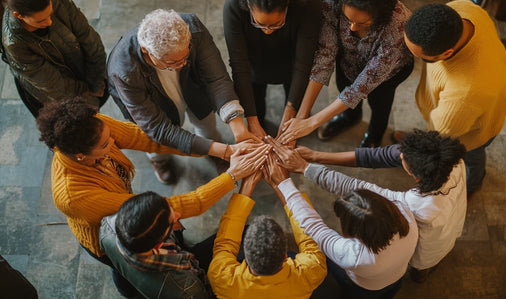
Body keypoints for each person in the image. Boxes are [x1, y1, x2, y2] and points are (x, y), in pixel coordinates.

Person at [36, 98, 268, 296]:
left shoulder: (94, 127)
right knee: (122, 265)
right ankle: (131, 288)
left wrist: (222, 150)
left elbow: (146, 139)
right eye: (107, 144)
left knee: (144, 257)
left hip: (128, 220)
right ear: (80, 156)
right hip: (107, 234)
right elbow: (169, 208)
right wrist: (232, 176)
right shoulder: (74, 197)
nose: (114, 140)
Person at [273, 130, 467, 282]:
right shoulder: (452, 161)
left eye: (403, 160)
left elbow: (358, 188)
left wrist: (304, 168)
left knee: (423, 263)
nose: (399, 156)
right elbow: (379, 156)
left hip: (430, 244)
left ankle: (420, 274)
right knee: (435, 254)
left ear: (417, 176)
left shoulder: (414, 205)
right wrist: (314, 157)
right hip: (453, 220)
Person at [108, 9, 259, 185]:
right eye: (173, 62)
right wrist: (226, 151)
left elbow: (217, 79)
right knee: (154, 140)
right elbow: (158, 128)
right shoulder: (124, 71)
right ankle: (160, 160)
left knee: (206, 121)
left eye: (186, 56)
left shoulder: (193, 28)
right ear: (146, 51)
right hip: (151, 102)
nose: (182, 64)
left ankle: (213, 149)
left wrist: (238, 126)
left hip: (191, 84)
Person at [261, 149, 418, 298]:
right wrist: (305, 167)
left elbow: (315, 227)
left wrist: (283, 184)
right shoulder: (404, 211)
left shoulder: (354, 257)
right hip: (397, 275)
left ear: (355, 231)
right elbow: (351, 185)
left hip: (365, 288)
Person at [400, 1, 506, 193]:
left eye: (420, 56)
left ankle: (474, 182)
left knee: (472, 157)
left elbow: (439, 134)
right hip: (481, 102)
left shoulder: (463, 95)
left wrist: (416, 151)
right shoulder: (464, 9)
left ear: (447, 53)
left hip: (474, 132)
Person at [278, 0, 413, 147]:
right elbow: (325, 56)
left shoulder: (398, 24)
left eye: (361, 23)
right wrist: (302, 116)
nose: (352, 28)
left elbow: (360, 87)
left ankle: (375, 133)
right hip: (348, 60)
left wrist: (312, 123)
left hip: (389, 72)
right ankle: (350, 117)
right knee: (343, 85)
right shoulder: (330, 4)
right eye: (347, 19)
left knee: (380, 103)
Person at [207, 166, 327, 298]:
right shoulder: (310, 272)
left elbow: (225, 245)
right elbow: (311, 237)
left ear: (245, 258)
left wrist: (248, 183)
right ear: (285, 256)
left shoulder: (222, 279)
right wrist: (282, 184)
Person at [223, 0, 322, 137]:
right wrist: (252, 121)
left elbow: (303, 64)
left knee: (294, 103)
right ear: (248, 5)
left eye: (276, 24)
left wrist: (289, 116)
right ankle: (260, 123)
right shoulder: (234, 6)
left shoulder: (309, 6)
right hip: (254, 63)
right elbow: (239, 64)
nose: (267, 31)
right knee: (255, 104)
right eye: (258, 24)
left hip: (293, 62)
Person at [1, 0, 108, 117]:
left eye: (50, 14)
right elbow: (52, 84)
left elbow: (90, 41)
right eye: (40, 20)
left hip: (83, 74)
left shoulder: (59, 2)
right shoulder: (14, 43)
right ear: (18, 15)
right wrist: (86, 90)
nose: (49, 22)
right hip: (55, 95)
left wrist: (95, 81)